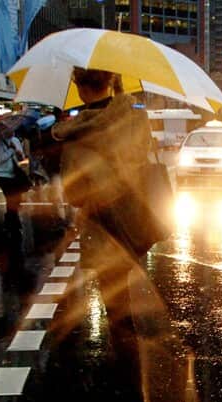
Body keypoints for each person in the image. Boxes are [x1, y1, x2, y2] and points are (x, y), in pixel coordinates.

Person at [51, 68, 167, 383]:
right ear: (110, 81)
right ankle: (130, 355)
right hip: (132, 212)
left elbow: (74, 191)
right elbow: (141, 158)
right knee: (125, 277)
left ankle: (125, 360)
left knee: (111, 289)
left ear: (80, 85)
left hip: (100, 219)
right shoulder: (133, 117)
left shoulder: (76, 130)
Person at [0, 126, 30, 242]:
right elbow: (1, 159)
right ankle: (13, 221)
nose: (11, 132)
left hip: (14, 173)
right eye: (8, 130)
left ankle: (10, 219)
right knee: (10, 197)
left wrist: (19, 155)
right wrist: (11, 150)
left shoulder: (16, 140)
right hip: (2, 175)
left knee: (15, 198)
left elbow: (21, 157)